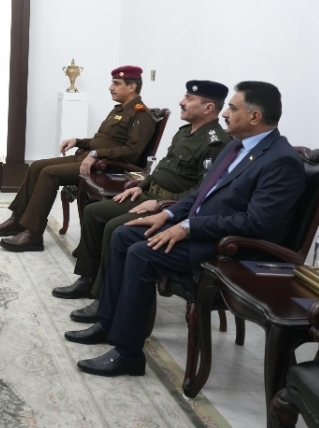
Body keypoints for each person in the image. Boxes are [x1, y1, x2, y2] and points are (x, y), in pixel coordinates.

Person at [66, 81, 305, 377]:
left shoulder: (281, 160)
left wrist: (189, 227)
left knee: (142, 253)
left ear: (255, 117)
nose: (225, 113)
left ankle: (128, 354)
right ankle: (107, 322)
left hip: (230, 247)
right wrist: (168, 214)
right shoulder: (236, 146)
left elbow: (257, 223)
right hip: (201, 229)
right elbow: (201, 193)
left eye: (232, 108)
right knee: (123, 234)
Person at [55, 80, 230, 311]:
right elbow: (164, 167)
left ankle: (105, 296)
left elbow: (203, 191)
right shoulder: (185, 132)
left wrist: (161, 204)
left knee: (115, 227)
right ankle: (87, 280)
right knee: (93, 212)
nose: (181, 102)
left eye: (189, 99)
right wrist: (142, 185)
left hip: (167, 205)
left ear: (208, 108)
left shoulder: (216, 143)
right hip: (148, 194)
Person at [0, 66, 157, 252]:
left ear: (132, 87)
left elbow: (132, 152)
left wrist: (96, 155)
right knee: (36, 166)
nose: (111, 87)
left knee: (49, 173)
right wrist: (78, 141)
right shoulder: (119, 110)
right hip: (89, 159)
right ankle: (18, 220)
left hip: (108, 168)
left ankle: (33, 235)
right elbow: (102, 140)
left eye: (116, 84)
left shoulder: (141, 114)